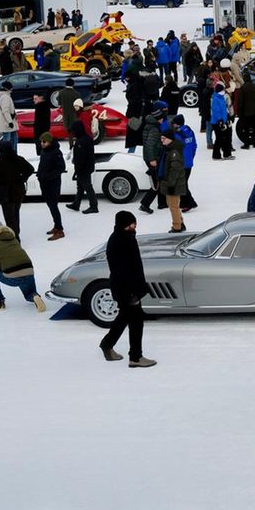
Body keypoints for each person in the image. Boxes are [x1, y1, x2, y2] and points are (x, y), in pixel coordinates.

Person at [99, 211, 155, 368]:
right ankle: (135, 357)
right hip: (127, 289)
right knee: (136, 322)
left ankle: (107, 344)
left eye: (135, 223)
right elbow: (122, 270)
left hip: (127, 288)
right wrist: (131, 293)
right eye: (131, 224)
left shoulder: (127, 237)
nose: (134, 226)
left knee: (124, 317)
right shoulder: (120, 241)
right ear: (124, 224)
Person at [0, 222, 45, 312]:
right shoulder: (13, 239)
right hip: (29, 271)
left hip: (14, 276)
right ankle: (35, 296)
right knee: (29, 294)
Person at [0, 143, 34, 239]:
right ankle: (16, 233)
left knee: (9, 218)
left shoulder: (0, 164)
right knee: (16, 214)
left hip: (6, 195)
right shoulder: (19, 159)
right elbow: (30, 169)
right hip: (19, 192)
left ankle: (15, 238)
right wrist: (23, 178)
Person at [66, 114, 99, 214]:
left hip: (83, 169)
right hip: (87, 167)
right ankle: (76, 204)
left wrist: (77, 169)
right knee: (81, 187)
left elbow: (80, 158)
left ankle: (93, 206)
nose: (73, 133)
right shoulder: (87, 138)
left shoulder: (81, 142)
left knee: (87, 187)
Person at [36, 133, 66, 241]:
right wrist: (39, 174)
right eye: (41, 142)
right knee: (51, 206)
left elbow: (61, 168)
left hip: (52, 184)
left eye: (44, 142)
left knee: (53, 207)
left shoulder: (56, 153)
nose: (42, 144)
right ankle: (56, 226)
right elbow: (42, 165)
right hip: (44, 183)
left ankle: (59, 229)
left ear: (49, 142)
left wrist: (48, 176)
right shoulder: (45, 151)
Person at [158, 128, 188, 233]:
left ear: (170, 139)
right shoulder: (169, 149)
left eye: (163, 138)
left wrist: (170, 185)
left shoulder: (174, 152)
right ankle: (180, 222)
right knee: (172, 204)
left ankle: (177, 227)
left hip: (174, 184)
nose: (162, 140)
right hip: (170, 183)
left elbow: (174, 170)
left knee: (173, 206)